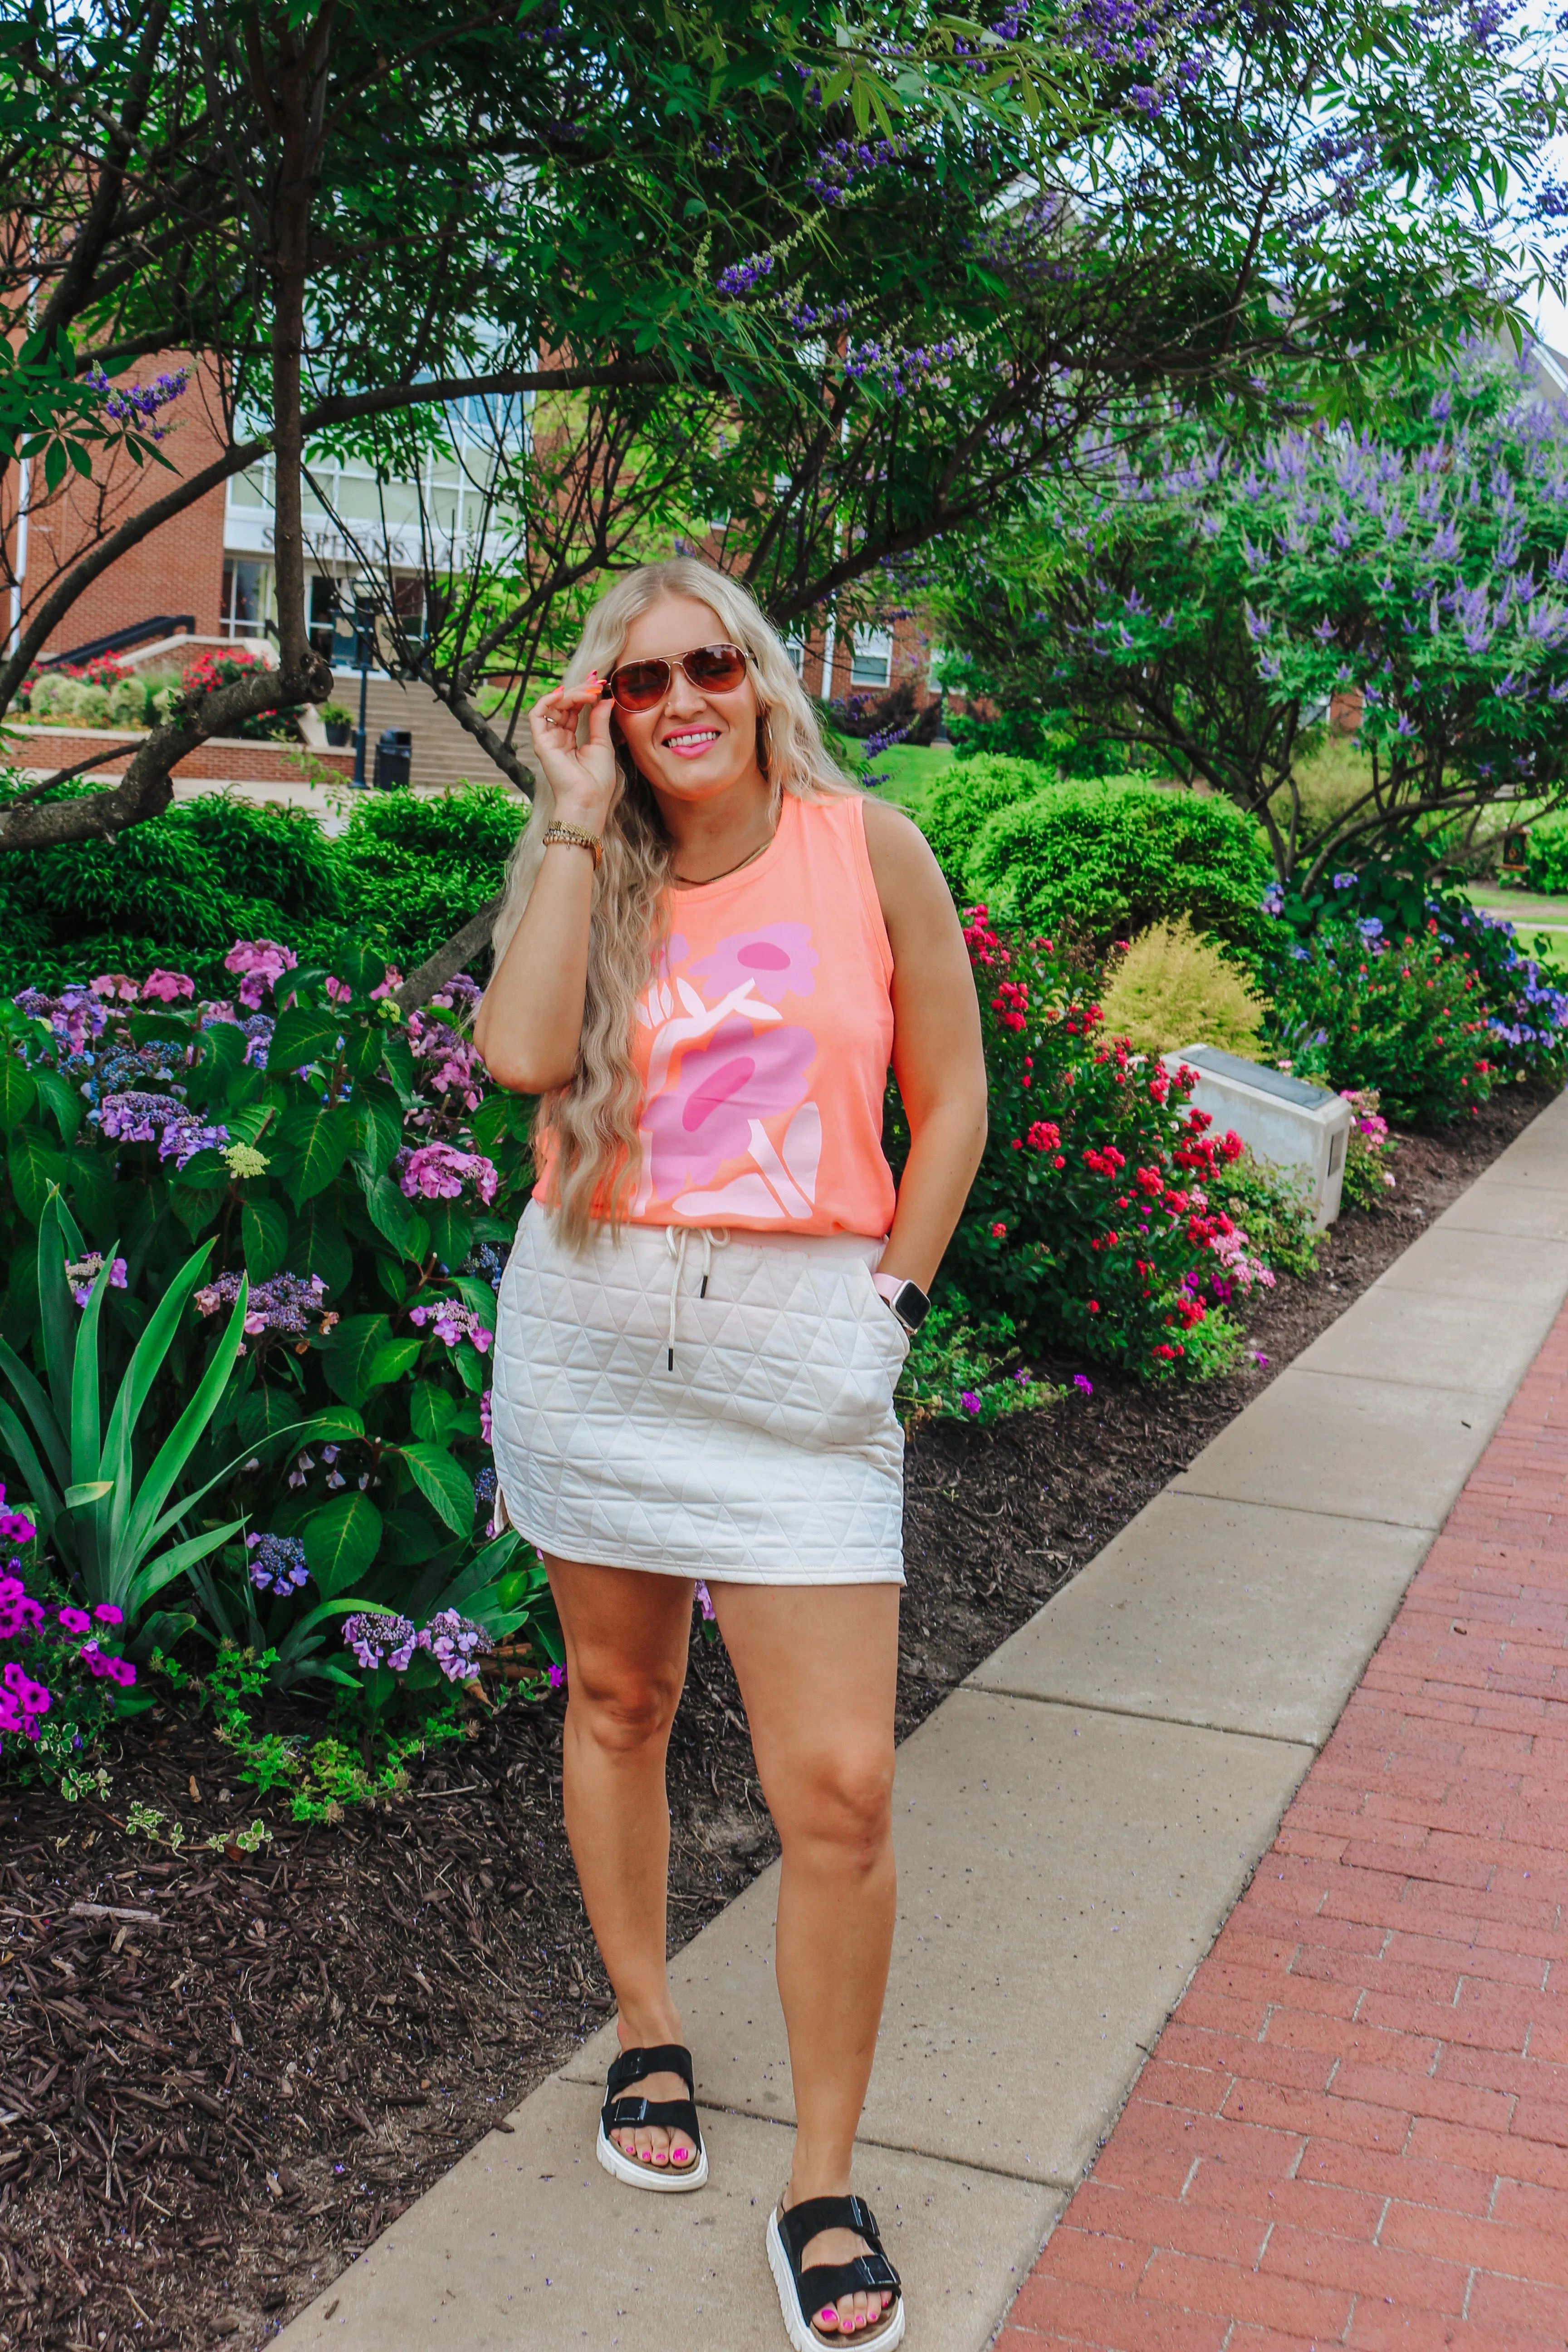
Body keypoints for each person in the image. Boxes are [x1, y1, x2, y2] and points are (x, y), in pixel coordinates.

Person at [473, 557, 986, 2350]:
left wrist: (894, 1307)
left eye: (711, 665)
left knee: (837, 1788)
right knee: (622, 1704)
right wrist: (562, 819)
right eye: (639, 682)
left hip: (806, 1346)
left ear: (766, 680)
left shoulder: (869, 851)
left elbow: (958, 1094)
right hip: (597, 1329)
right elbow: (523, 1054)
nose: (681, 698)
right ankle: (646, 2030)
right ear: (603, 713)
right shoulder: (593, 870)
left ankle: (825, 2182)